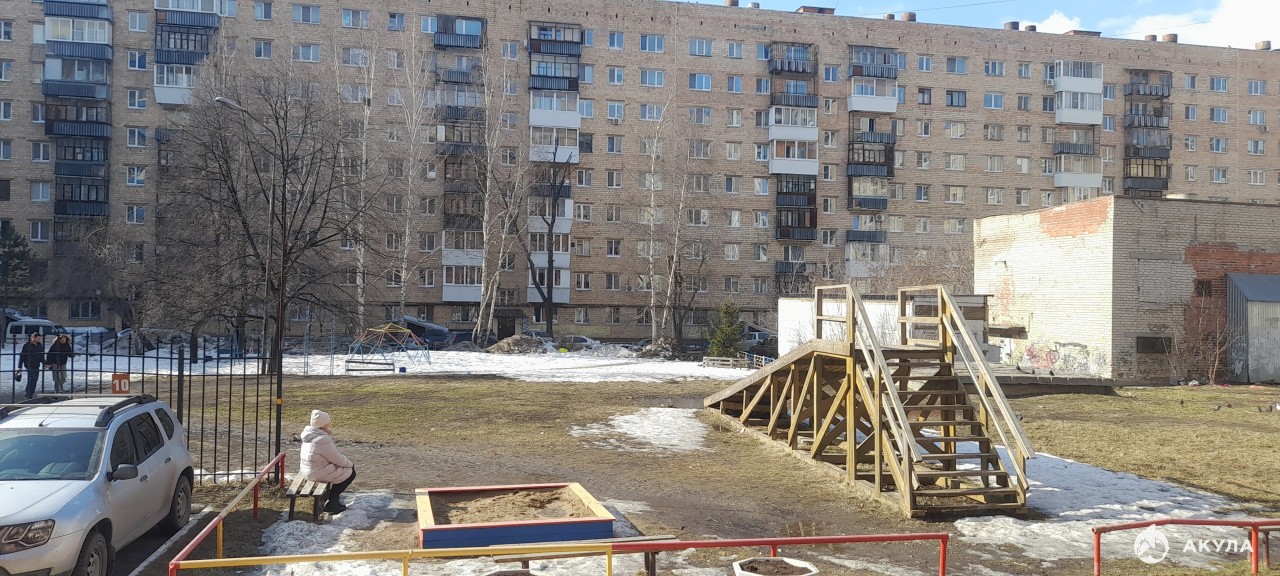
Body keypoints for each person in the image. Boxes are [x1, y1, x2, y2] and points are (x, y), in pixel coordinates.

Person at [299, 409, 355, 514]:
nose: (329, 424)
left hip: (307, 470)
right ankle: (332, 502)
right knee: (350, 472)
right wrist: (351, 464)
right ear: (323, 424)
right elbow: (337, 459)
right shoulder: (322, 439)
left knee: (341, 468)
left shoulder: (309, 434)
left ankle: (332, 499)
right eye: (327, 422)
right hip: (316, 473)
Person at [19, 334, 45, 400]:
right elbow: (22, 356)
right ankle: (28, 393)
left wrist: (44, 363)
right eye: (38, 338)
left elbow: (41, 356)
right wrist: (20, 366)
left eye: (40, 338)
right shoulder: (27, 345)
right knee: (32, 378)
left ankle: (30, 392)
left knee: (35, 379)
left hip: (36, 364)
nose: (39, 340)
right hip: (29, 364)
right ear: (33, 338)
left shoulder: (39, 345)